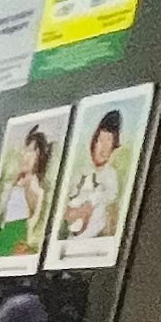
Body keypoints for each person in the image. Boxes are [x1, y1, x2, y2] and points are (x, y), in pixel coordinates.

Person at [0, 120, 60, 269]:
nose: (25, 155)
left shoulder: (35, 185)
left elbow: (31, 218)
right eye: (26, 150)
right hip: (6, 231)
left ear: (39, 156)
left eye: (31, 151)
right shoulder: (18, 180)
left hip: (17, 232)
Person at [56, 106, 131, 257]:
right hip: (72, 239)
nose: (103, 147)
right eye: (100, 140)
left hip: (92, 242)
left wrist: (88, 206)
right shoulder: (81, 173)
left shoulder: (110, 175)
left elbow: (109, 196)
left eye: (109, 141)